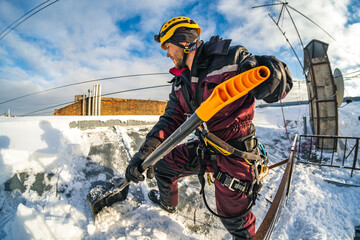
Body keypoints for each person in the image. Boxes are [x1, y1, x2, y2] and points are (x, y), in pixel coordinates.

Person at [125, 16, 293, 239]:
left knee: (232, 214)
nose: (166, 53)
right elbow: (169, 121)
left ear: (183, 41)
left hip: (237, 150)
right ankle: (168, 206)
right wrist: (145, 153)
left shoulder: (230, 58)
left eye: (168, 46)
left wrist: (273, 73)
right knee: (164, 166)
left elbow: (280, 85)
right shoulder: (180, 84)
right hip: (208, 144)